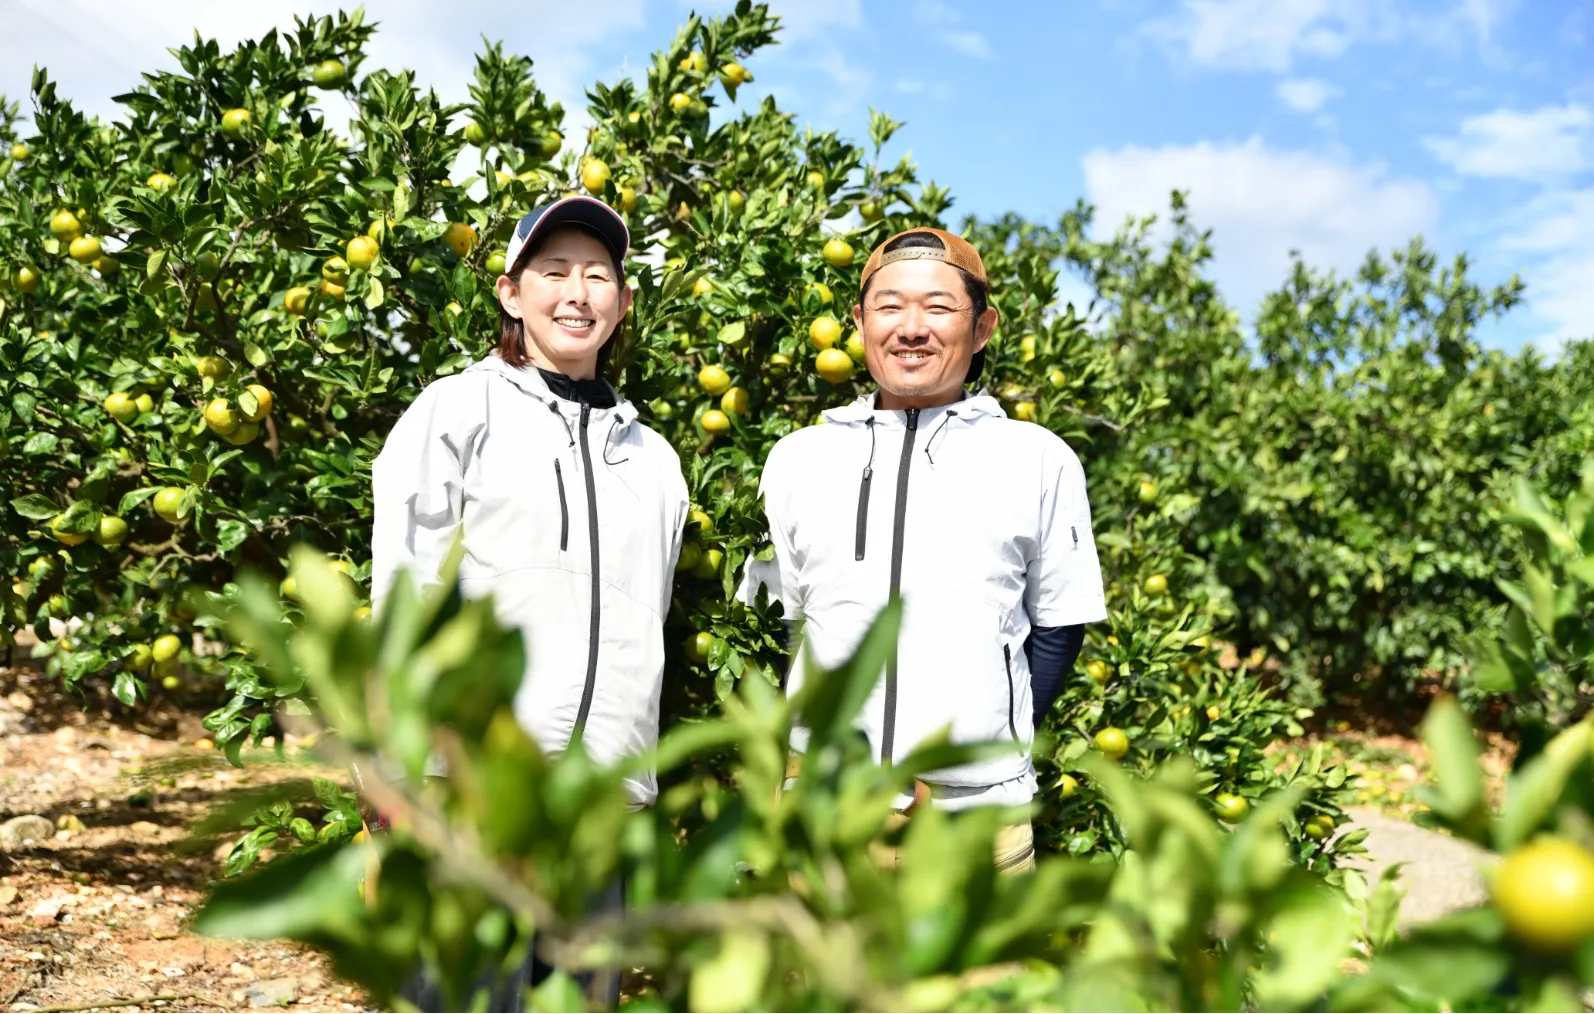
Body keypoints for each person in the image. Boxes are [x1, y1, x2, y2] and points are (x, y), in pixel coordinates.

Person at [369, 195, 689, 1008]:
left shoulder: (653, 458)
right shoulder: (457, 410)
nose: (577, 292)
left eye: (598, 274)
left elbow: (645, 619)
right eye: (554, 272)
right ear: (511, 293)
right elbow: (407, 586)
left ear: (621, 299)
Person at [738, 227, 1106, 873]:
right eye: (889, 306)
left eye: (938, 307)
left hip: (978, 826)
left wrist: (990, 742)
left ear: (983, 327)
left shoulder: (1037, 459)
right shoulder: (798, 460)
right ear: (859, 320)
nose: (912, 327)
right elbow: (776, 626)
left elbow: (1059, 626)